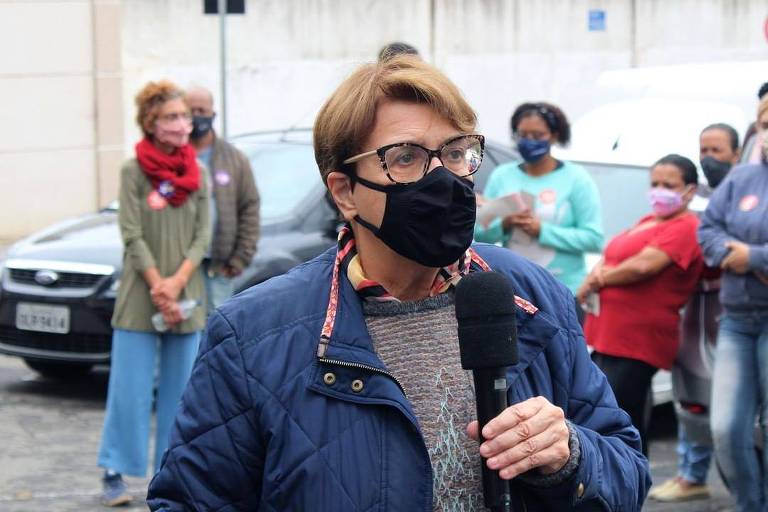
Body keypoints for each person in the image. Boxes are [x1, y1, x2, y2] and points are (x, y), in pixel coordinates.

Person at [147, 56, 649, 511]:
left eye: (455, 153)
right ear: (344, 191)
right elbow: (192, 502)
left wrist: (572, 456)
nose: (442, 177)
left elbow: (627, 472)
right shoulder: (253, 335)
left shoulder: (530, 297)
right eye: (405, 157)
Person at [97, 80, 210, 507]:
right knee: (130, 387)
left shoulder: (196, 171)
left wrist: (177, 281)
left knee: (182, 392)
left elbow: (203, 235)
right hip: (139, 298)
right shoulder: (132, 171)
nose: (184, 124)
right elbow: (130, 233)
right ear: (151, 122)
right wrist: (157, 285)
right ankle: (115, 469)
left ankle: (170, 471)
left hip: (187, 293)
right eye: (172, 117)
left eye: (185, 116)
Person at [578, 154, 704, 457]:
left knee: (622, 416)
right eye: (655, 183)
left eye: (669, 185)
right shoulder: (649, 220)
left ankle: (629, 483)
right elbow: (615, 254)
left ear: (689, 190)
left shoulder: (687, 226)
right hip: (610, 335)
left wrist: (598, 279)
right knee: (608, 409)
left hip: (639, 339)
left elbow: (644, 266)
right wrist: (597, 275)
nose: (659, 190)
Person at [649, 124, 740, 502]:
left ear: (737, 154)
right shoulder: (697, 199)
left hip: (730, 310)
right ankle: (692, 473)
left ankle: (742, 484)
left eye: (717, 150)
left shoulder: (748, 192)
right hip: (694, 310)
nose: (708, 157)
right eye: (704, 149)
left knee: (732, 398)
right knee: (692, 392)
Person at [698, 97, 768, 512]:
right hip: (738, 321)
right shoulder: (741, 178)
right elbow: (709, 228)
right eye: (762, 122)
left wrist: (754, 257)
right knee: (725, 428)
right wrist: (729, 251)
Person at [474, 102, 604, 294]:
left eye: (537, 135)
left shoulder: (576, 178)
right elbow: (479, 233)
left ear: (555, 135)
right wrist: (505, 224)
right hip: (516, 288)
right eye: (523, 135)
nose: (529, 141)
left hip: (563, 289)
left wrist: (542, 231)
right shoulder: (502, 176)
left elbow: (593, 239)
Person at [185, 86, 260, 313]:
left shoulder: (234, 159)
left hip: (218, 268)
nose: (197, 116)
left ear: (213, 114)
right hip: (181, 266)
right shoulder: (173, 156)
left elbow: (249, 207)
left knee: (216, 329)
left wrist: (240, 258)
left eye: (202, 110)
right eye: (191, 111)